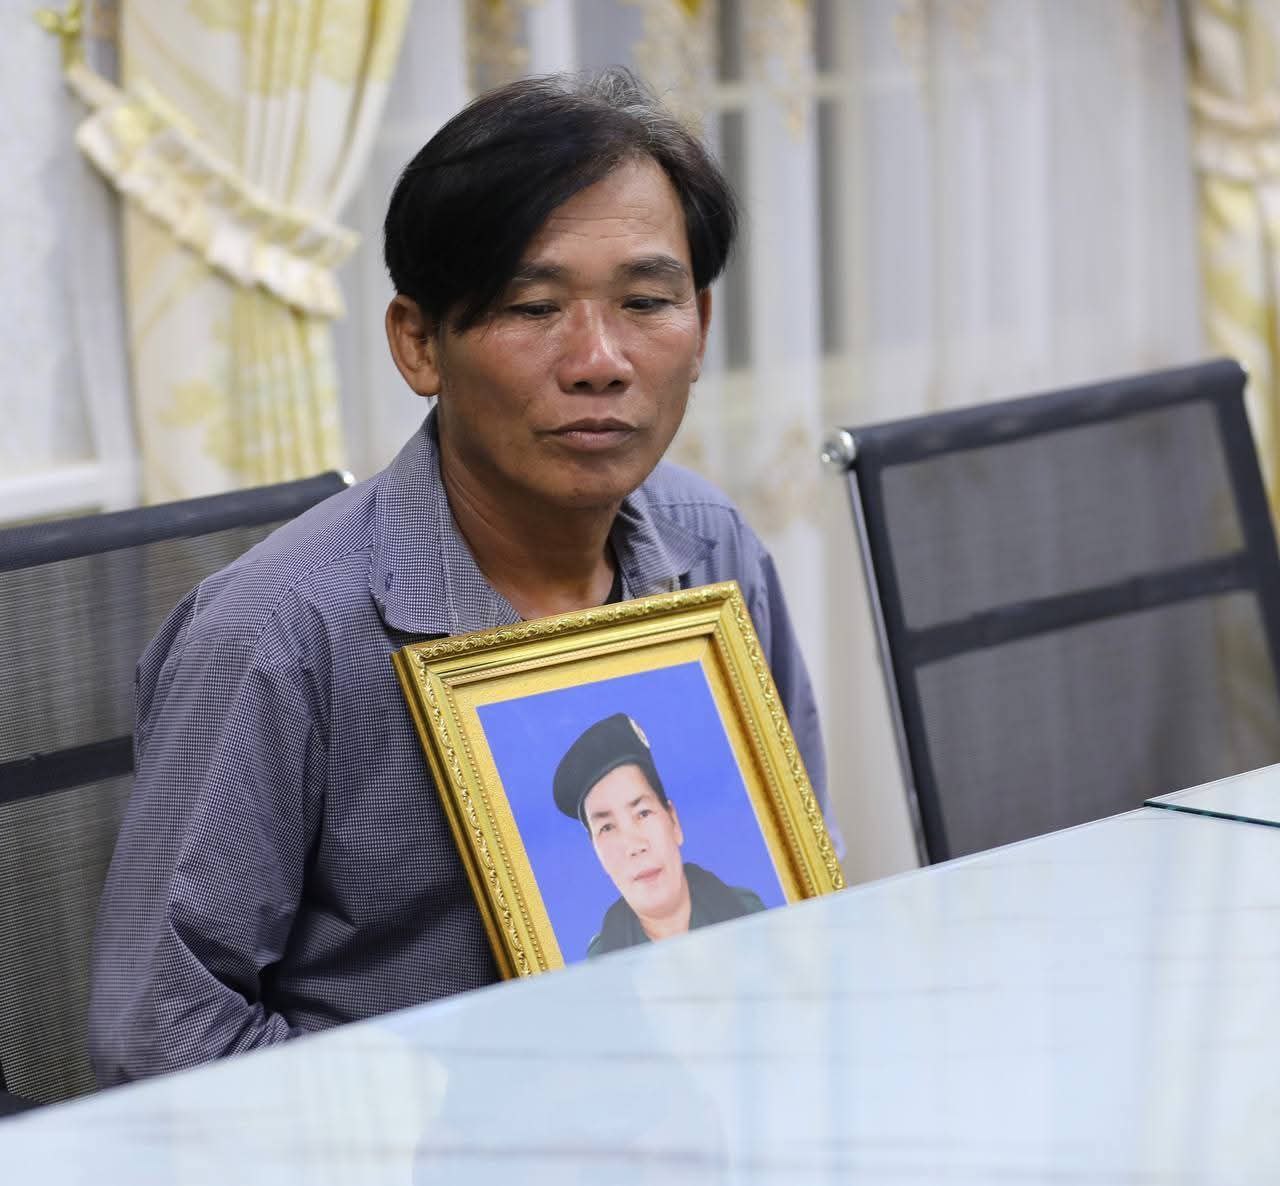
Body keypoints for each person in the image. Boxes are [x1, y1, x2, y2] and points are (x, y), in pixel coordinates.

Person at [89, 66, 833, 1085]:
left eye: (645, 302)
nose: (599, 360)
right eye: (533, 307)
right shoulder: (279, 633)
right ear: (418, 344)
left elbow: (796, 880)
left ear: (698, 327)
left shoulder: (711, 547)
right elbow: (161, 1034)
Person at [552, 712, 765, 958]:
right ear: (597, 852)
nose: (634, 846)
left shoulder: (750, 917)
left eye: (643, 813)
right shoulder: (601, 969)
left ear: (673, 821)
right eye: (607, 828)